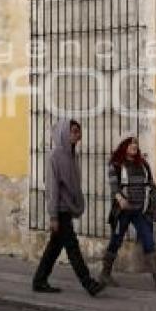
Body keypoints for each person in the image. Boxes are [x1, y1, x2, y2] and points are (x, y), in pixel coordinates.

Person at [32, 120, 105, 296]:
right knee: (72, 248)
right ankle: (89, 284)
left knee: (54, 247)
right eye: (74, 131)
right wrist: (53, 216)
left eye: (79, 132)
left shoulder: (72, 155)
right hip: (60, 210)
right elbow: (52, 188)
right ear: (65, 133)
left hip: (67, 209)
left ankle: (39, 281)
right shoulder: (55, 156)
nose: (77, 135)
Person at [99, 136, 156, 291]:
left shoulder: (143, 164)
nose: (134, 145)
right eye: (131, 143)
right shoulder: (116, 164)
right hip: (122, 212)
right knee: (116, 241)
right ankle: (105, 274)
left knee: (149, 240)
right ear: (124, 146)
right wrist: (120, 198)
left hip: (140, 211)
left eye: (136, 144)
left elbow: (152, 186)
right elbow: (114, 187)